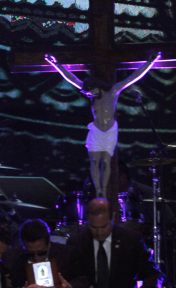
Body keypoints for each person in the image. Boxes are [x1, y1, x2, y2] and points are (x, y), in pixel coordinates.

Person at [45, 52, 162, 197]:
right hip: (96, 129)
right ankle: (98, 189)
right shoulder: (91, 94)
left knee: (107, 161)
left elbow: (133, 77)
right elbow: (71, 79)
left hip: (109, 129)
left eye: (90, 91)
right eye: (87, 91)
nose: (87, 93)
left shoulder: (113, 91)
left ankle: (106, 190)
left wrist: (150, 62)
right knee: (95, 162)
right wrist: (55, 64)